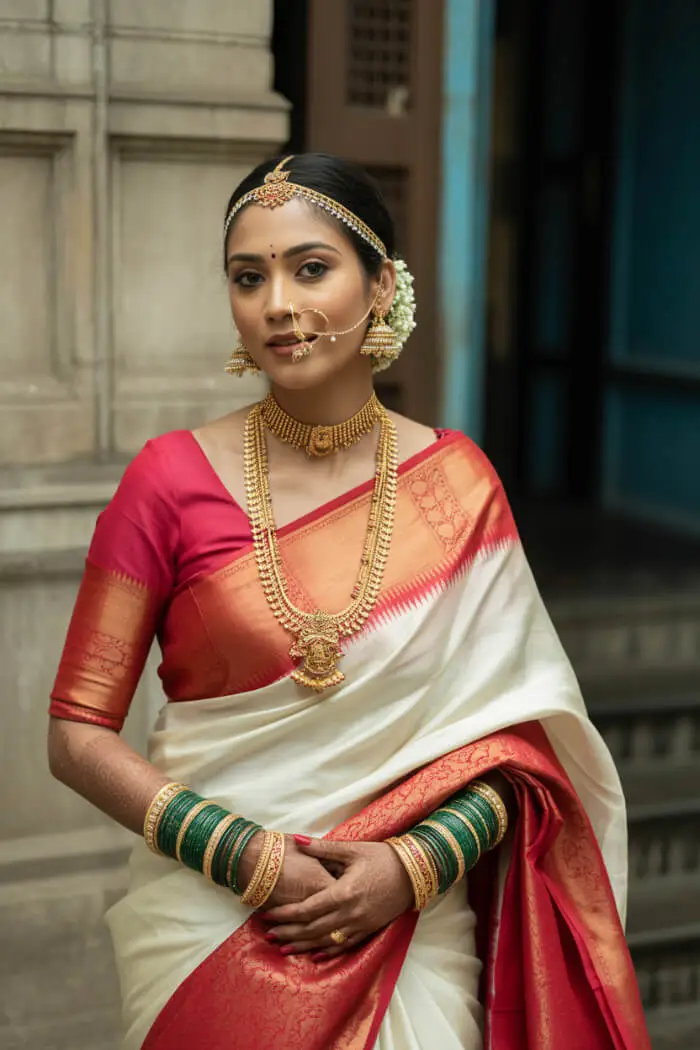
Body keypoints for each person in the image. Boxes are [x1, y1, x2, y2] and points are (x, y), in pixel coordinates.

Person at [47, 152, 650, 1050]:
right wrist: (250, 860)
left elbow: (522, 752)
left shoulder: (459, 487)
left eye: (311, 268)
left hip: (410, 935)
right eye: (249, 278)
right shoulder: (167, 480)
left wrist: (413, 865)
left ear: (381, 287)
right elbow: (75, 733)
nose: (278, 304)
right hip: (211, 922)